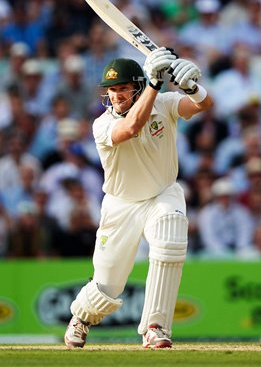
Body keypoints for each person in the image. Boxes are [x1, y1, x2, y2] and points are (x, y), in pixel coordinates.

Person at [64, 47, 213, 349]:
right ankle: (80, 317)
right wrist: (156, 84)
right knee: (108, 284)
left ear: (137, 87)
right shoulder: (102, 125)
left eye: (123, 89)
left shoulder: (165, 104)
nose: (116, 95)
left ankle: (155, 327)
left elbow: (205, 105)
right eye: (112, 90)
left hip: (162, 193)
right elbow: (131, 127)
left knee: (170, 238)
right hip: (121, 204)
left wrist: (194, 88)